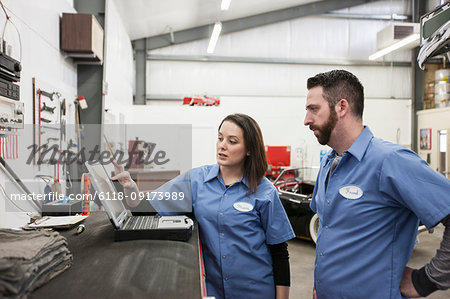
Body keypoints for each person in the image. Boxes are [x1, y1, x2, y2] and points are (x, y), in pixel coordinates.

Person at [112, 113, 295, 299]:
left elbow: (279, 252)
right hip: (212, 290)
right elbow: (146, 210)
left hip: (256, 290)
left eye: (232, 141)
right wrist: (130, 187)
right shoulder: (196, 180)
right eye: (220, 138)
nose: (222, 145)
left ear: (249, 149)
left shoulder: (265, 191)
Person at [303, 70, 450, 299]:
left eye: (314, 109)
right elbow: (330, 232)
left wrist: (426, 281)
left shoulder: (390, 161)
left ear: (341, 107)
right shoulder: (329, 163)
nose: (306, 120)